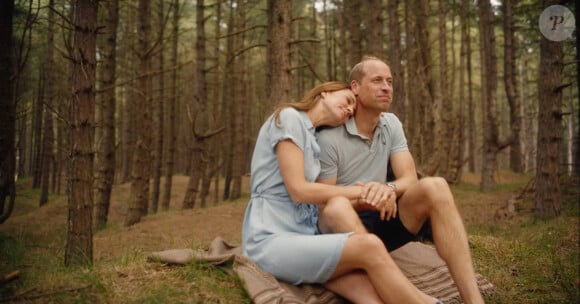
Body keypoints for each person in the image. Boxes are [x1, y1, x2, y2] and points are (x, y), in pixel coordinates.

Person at [242, 81, 443, 303]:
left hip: (306, 236)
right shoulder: (290, 117)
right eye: (347, 100)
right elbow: (299, 190)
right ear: (325, 92)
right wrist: (360, 192)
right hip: (272, 237)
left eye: (351, 112)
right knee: (370, 245)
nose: (349, 110)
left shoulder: (313, 138)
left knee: (369, 292)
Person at [316, 56, 485, 304]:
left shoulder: (391, 123)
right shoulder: (330, 137)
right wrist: (364, 198)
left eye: (390, 81)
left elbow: (408, 178)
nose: (386, 87)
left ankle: (474, 300)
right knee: (336, 208)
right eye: (377, 81)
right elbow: (322, 207)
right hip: (343, 230)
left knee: (435, 186)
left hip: (383, 216)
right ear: (355, 87)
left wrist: (387, 189)